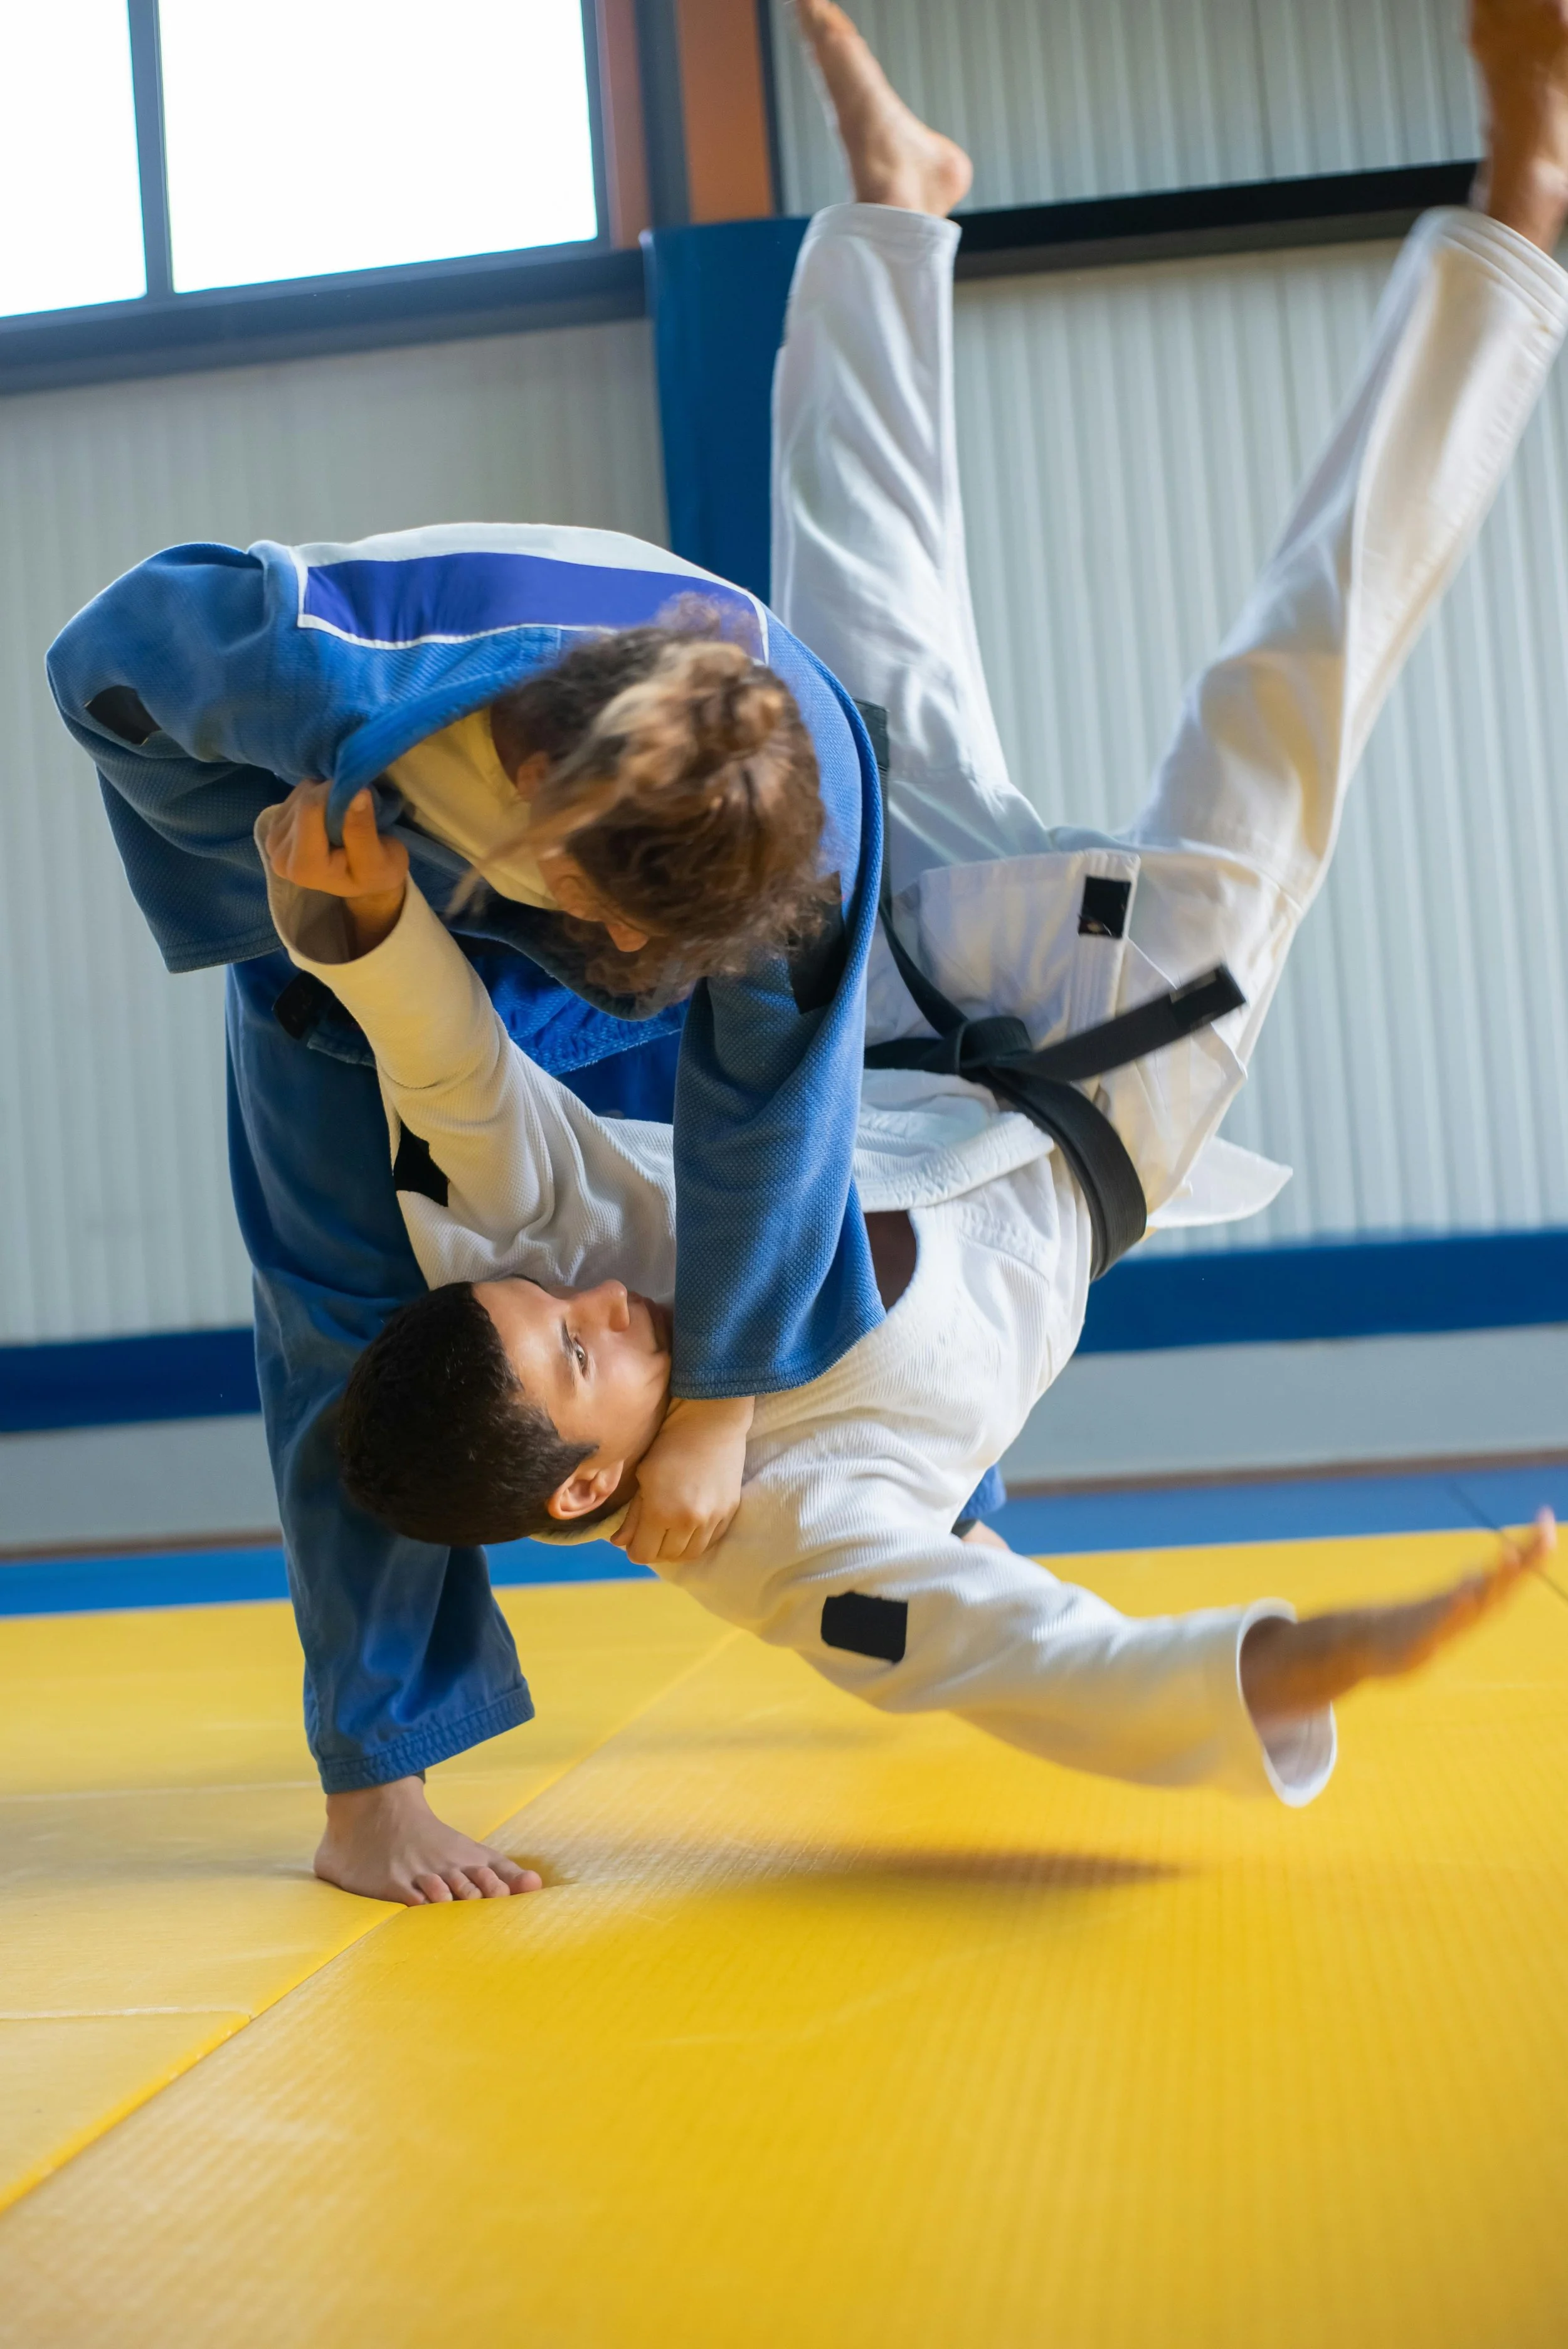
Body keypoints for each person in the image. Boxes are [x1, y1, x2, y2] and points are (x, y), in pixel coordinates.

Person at [253, 0, 1568, 1900]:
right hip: (1117, 1067)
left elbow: (458, 1088)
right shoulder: (793, 1539)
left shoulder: (523, 1258)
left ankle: (891, 213)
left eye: (545, 1300)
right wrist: (1323, 1652)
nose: (586, 1294)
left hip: (889, 1004)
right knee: (1300, 667)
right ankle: (1518, 224)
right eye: (576, 1346)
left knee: (843, 661)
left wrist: (371, 939)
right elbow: (1019, 1655)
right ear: (582, 1486)